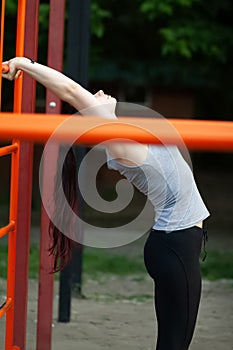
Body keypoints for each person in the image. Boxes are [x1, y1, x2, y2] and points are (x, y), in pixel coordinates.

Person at [2, 57, 210, 350]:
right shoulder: (120, 142)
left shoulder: (127, 133)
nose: (98, 94)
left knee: (173, 342)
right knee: (175, 344)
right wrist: (25, 64)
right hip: (175, 247)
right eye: (94, 101)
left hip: (175, 245)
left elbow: (78, 94)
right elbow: (71, 91)